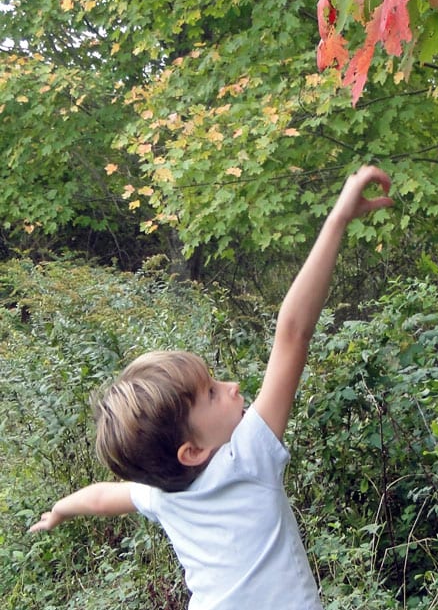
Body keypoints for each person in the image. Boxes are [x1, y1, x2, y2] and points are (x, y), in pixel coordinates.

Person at [30, 165, 394, 610]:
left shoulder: (164, 493)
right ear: (191, 451)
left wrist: (61, 510)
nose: (234, 386)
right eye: (212, 393)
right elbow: (294, 332)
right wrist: (337, 218)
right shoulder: (248, 457)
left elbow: (103, 497)